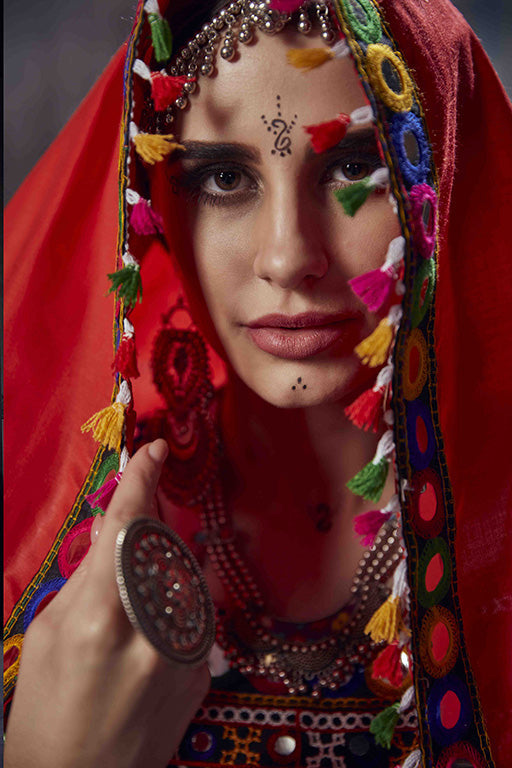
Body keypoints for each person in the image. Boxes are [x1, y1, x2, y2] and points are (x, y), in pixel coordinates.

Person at [4, 0, 512, 766]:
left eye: (352, 168)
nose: (287, 257)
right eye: (224, 178)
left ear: (436, 177)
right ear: (152, 202)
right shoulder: (47, 545)